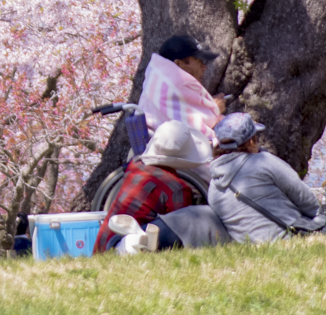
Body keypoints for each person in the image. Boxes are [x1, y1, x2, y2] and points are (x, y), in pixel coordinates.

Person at [94, 120, 209, 253]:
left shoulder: (136, 164)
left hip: (102, 245)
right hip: (131, 249)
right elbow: (182, 230)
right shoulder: (177, 190)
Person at [209, 113, 325, 243]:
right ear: (251, 141)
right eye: (256, 137)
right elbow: (308, 202)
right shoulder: (264, 162)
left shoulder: (213, 187)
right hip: (294, 238)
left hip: (252, 249)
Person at [138, 34, 226, 145]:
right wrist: (214, 110)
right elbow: (198, 132)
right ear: (179, 64)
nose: (204, 67)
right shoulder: (172, 86)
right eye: (199, 61)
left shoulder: (158, 78)